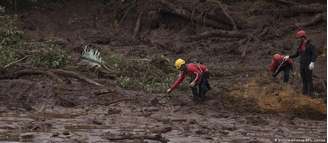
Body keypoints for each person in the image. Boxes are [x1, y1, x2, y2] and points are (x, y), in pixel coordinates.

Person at [284, 30, 317, 96]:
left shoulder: (310, 45)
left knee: (309, 79)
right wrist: (289, 56)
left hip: (308, 64)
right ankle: (304, 93)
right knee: (303, 78)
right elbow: (296, 54)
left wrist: (312, 62)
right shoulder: (300, 46)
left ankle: (311, 93)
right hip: (302, 64)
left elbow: (314, 54)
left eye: (299, 38)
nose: (298, 40)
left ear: (303, 37)